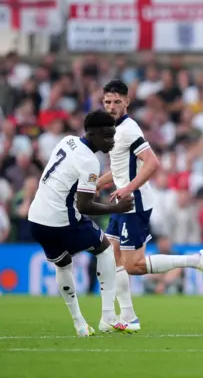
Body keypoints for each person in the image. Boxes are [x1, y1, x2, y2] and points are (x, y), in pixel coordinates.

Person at [97, 79, 203, 332]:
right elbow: (121, 168)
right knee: (111, 257)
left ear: (127, 102)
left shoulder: (129, 129)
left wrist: (127, 189)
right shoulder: (114, 129)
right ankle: (127, 317)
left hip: (134, 203)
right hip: (122, 202)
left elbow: (152, 163)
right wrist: (99, 183)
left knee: (134, 265)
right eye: (107, 101)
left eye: (117, 101)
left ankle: (195, 260)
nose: (111, 106)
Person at [27, 110, 134, 337]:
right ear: (92, 134)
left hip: (37, 218)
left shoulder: (67, 141)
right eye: (106, 136)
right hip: (61, 220)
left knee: (63, 263)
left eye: (113, 135)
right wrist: (117, 208)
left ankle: (80, 325)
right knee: (104, 249)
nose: (111, 141)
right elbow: (85, 206)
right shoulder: (89, 161)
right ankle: (108, 317)